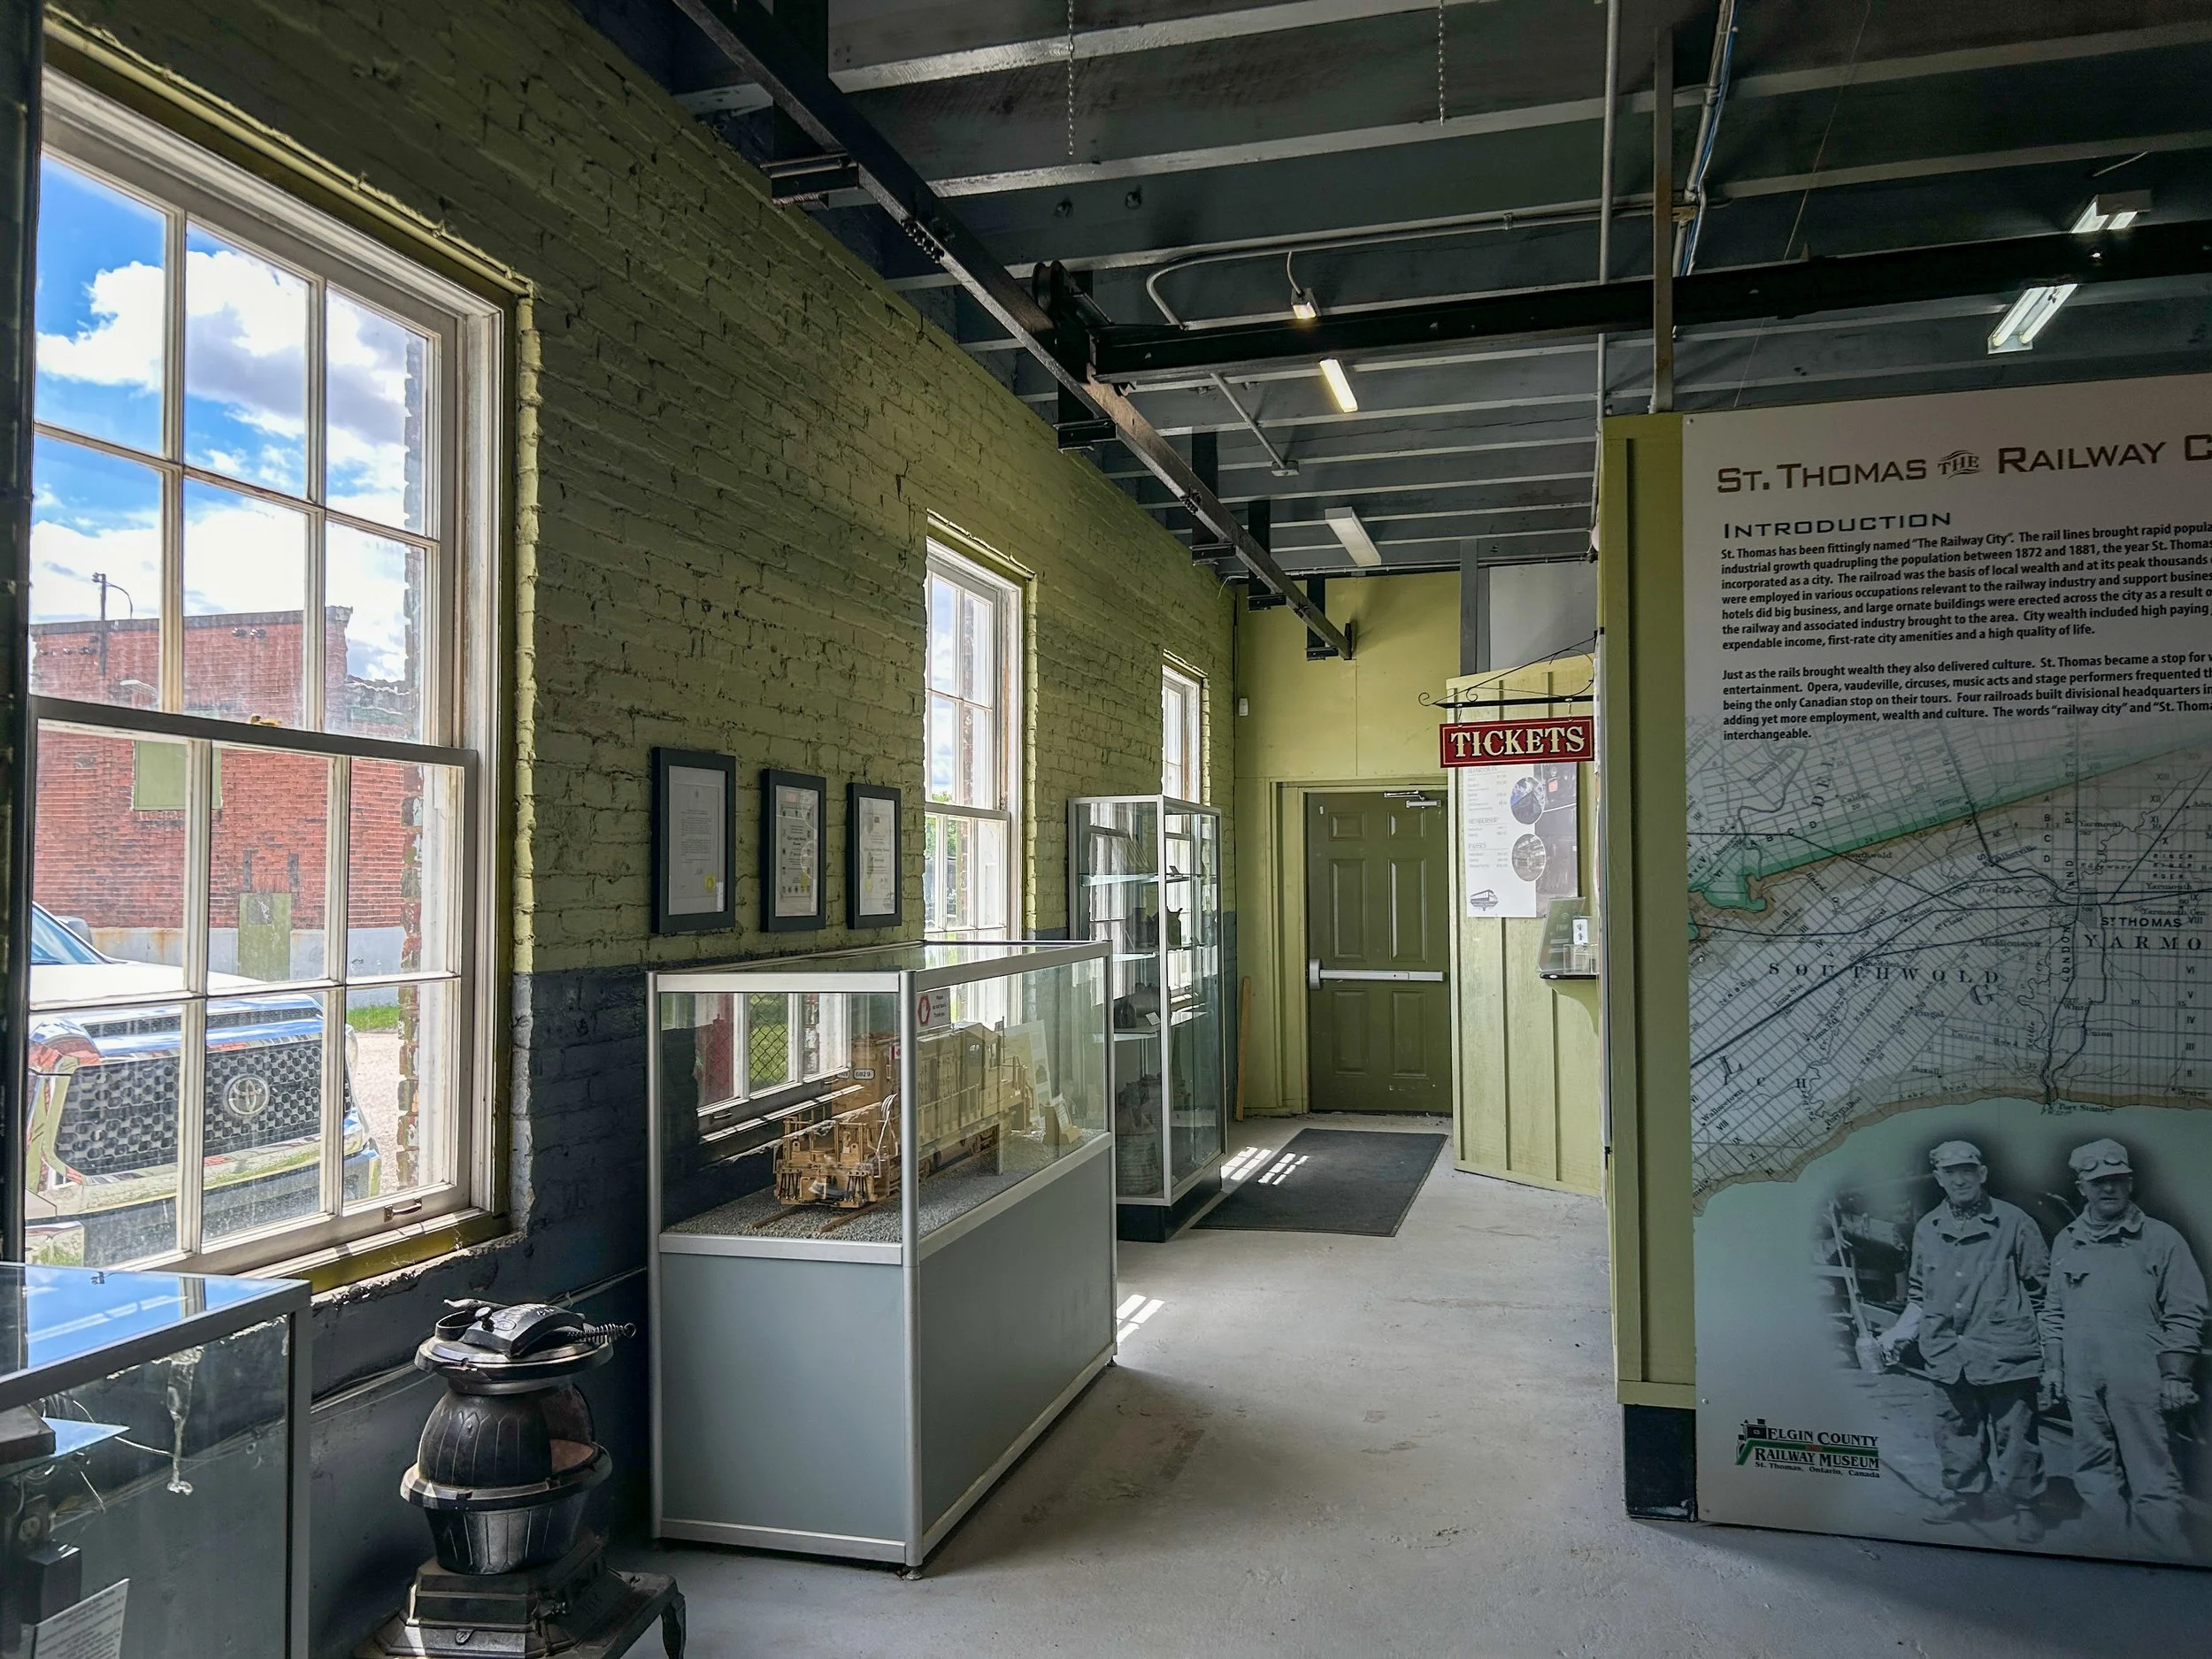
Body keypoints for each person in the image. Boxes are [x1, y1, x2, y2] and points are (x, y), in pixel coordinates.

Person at [2041, 1139, 2208, 1558]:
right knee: (2093, 1467)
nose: (2108, 1190)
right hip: (2081, 1378)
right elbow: (2054, 1312)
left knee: (2151, 1473)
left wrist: (2174, 1374)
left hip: (2138, 1377)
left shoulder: (2160, 1239)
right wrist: (2055, 1368)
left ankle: (2160, 1556)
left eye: (2116, 1181)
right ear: (2082, 1188)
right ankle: (2108, 1549)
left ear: (2130, 1183)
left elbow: (2186, 1312)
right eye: (2098, 1183)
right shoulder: (2067, 1240)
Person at [1877, 1140, 2050, 1540]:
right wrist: (1898, 1334)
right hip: (1947, 1352)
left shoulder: (2014, 1223)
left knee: (2016, 1435)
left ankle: (2025, 1504)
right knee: (1955, 1431)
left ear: (1982, 1174)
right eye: (1950, 1172)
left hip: (2005, 1352)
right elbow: (1919, 1294)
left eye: (1967, 1170)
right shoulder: (1928, 1229)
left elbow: (2042, 1291)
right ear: (1938, 1178)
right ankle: (1965, 1495)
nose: (1960, 1179)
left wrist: (2047, 1356)